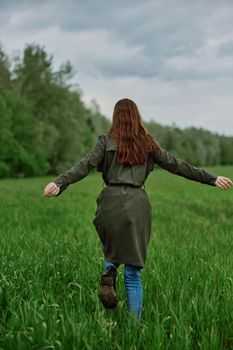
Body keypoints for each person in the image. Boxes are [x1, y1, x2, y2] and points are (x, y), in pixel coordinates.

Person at [43, 98, 232, 322]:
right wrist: (212, 179)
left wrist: (60, 182)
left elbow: (84, 165)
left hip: (109, 203)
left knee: (111, 250)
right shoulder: (148, 144)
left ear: (116, 117)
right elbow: (178, 165)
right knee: (133, 273)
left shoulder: (105, 142)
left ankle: (110, 271)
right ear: (136, 117)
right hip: (137, 205)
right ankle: (134, 327)